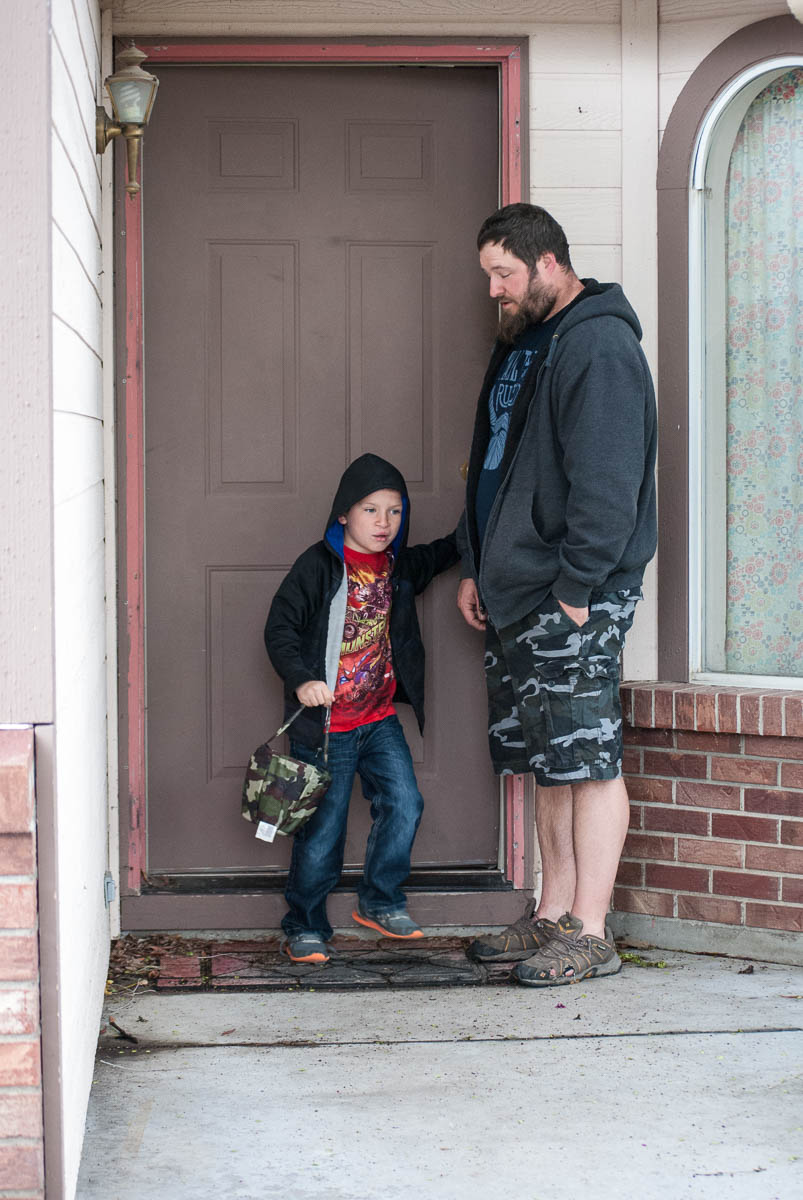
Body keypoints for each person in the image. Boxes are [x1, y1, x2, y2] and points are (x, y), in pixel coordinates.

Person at [457, 203, 657, 987]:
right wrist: (475, 561)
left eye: (503, 274)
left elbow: (608, 481)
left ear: (547, 263)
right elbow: (493, 463)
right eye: (488, 276)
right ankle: (553, 914)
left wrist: (576, 586)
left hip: (570, 592)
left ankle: (592, 930)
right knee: (551, 763)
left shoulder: (597, 344)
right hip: (515, 589)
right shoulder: (521, 343)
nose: (493, 291)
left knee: (589, 759)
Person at [265, 453, 458, 964]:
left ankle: (380, 900)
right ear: (344, 513)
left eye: (394, 511)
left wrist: (487, 512)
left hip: (377, 720)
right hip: (327, 726)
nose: (383, 523)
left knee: (405, 803)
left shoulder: (398, 567)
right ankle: (304, 925)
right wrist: (302, 679)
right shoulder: (318, 566)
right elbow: (280, 628)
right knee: (322, 830)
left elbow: (446, 550)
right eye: (370, 510)